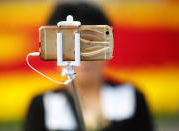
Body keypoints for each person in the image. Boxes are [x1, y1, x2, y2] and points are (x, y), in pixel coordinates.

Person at [24, 1, 153, 131]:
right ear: (55, 50)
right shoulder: (41, 105)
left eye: (91, 44)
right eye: (72, 46)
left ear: (108, 46)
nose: (82, 58)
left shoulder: (131, 97)